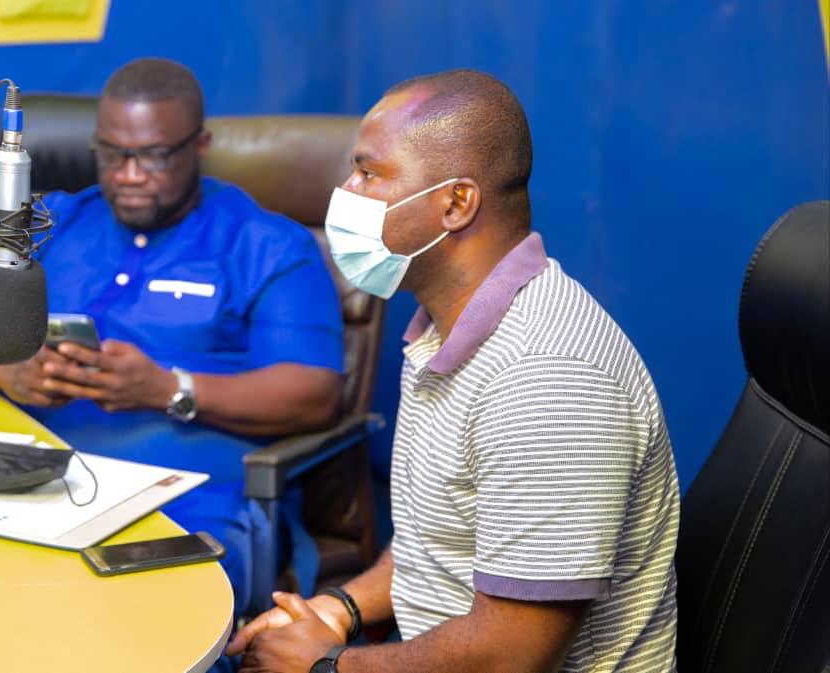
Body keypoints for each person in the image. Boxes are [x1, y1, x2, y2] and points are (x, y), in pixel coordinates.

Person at [226, 69, 680, 673]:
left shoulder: (545, 376)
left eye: (368, 173)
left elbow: (513, 656)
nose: (346, 192)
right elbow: (438, 542)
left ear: (456, 204)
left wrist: (328, 665)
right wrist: (340, 610)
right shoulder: (444, 328)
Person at [0, 58, 344, 628]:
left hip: (185, 501)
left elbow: (315, 394)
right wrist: (7, 370)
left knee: (141, 627)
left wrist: (168, 390)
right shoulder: (57, 220)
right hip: (28, 482)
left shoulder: (267, 244)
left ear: (199, 146)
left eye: (153, 155)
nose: (129, 175)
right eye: (112, 154)